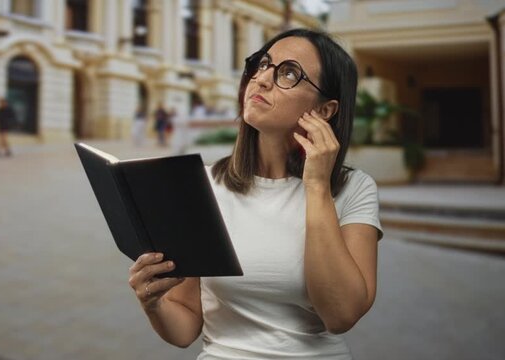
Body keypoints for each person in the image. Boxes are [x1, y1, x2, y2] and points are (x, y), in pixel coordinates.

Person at [128, 28, 383, 359]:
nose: (262, 79)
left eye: (288, 73)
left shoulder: (354, 189)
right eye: (263, 64)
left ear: (324, 110)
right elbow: (186, 326)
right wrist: (152, 304)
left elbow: (341, 314)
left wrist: (317, 186)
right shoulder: (204, 185)